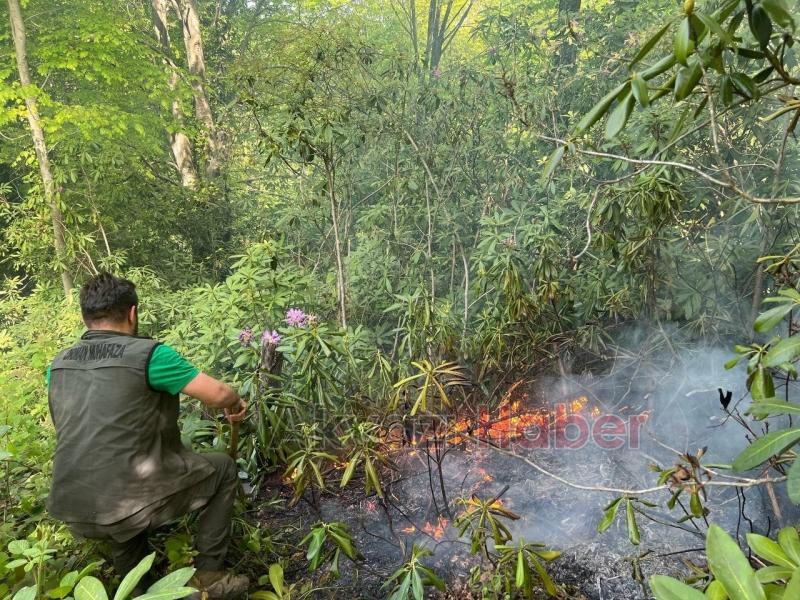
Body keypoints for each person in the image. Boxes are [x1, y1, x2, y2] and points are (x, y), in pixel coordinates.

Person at [46, 272, 249, 599]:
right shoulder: (150, 355)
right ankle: (209, 578)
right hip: (125, 502)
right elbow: (218, 394)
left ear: (85, 318)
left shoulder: (56, 366)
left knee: (122, 502)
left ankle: (138, 589)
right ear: (132, 313)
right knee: (223, 468)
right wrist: (236, 401)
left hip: (74, 508)